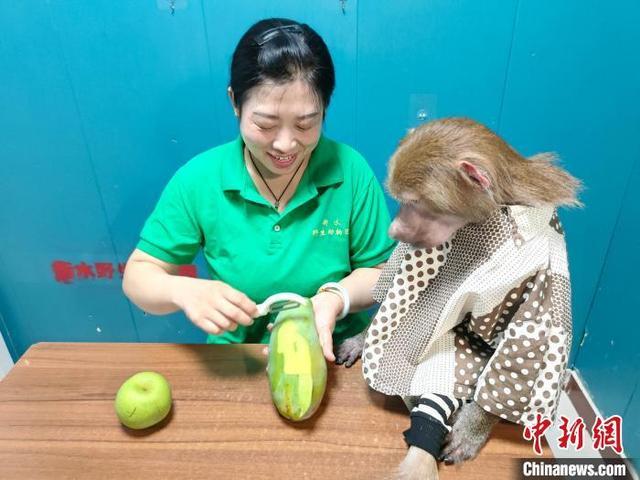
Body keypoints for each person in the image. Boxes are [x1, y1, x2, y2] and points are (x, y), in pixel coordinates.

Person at [122, 18, 396, 361]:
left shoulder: (349, 169)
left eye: (305, 124)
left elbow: (382, 273)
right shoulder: (200, 179)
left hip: (336, 353)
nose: (285, 144)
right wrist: (182, 290)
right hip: (240, 359)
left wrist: (334, 298)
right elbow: (138, 275)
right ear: (235, 102)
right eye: (265, 124)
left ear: (324, 109)